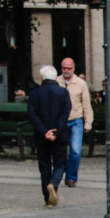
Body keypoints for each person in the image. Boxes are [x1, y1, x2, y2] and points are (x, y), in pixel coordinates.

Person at [27, 65, 71, 208]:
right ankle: (54, 183)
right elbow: (65, 114)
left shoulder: (35, 93)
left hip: (41, 136)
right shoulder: (63, 93)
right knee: (60, 163)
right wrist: (56, 131)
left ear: (42, 78)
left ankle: (47, 199)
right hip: (59, 135)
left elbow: (32, 115)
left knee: (44, 165)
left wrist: (44, 131)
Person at [56, 58, 93, 188]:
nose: (66, 71)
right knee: (59, 150)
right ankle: (62, 171)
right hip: (60, 120)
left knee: (76, 150)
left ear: (73, 68)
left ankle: (71, 177)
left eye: (69, 68)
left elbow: (86, 104)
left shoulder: (81, 83)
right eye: (64, 68)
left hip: (76, 119)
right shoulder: (56, 82)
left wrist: (88, 122)